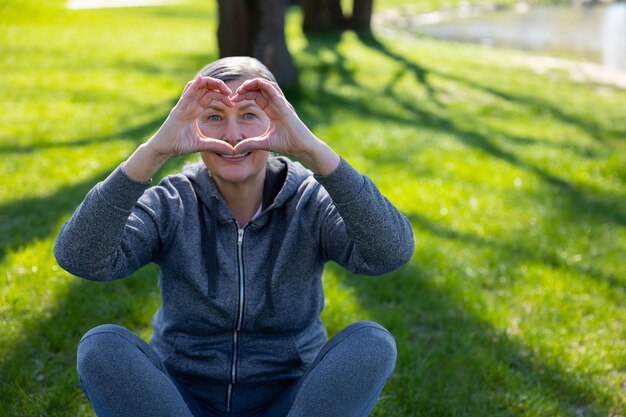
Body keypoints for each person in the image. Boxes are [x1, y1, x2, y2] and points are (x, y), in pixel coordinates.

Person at [54, 56, 414, 417]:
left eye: (249, 116)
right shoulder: (173, 201)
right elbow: (81, 256)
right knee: (102, 345)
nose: (232, 135)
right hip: (183, 401)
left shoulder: (308, 200)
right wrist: (153, 152)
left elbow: (390, 252)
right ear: (193, 129)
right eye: (214, 118)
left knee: (372, 343)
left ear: (276, 124)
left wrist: (315, 153)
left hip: (288, 400)